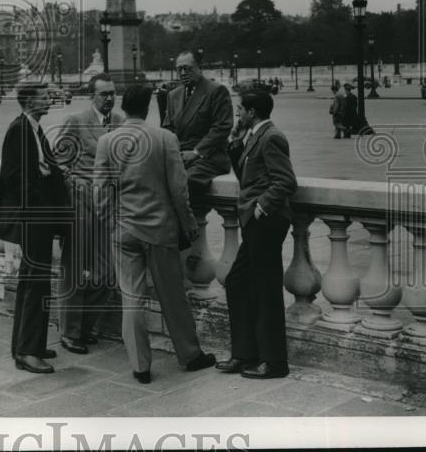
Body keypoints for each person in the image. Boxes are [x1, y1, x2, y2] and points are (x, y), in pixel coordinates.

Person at [94, 83, 216, 383]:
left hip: (123, 230)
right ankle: (189, 355)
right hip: (159, 230)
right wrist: (188, 225)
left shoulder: (107, 141)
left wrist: (111, 223)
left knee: (131, 299)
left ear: (124, 106)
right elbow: (179, 190)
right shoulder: (164, 138)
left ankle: (140, 366)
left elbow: (99, 192)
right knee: (173, 297)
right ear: (148, 106)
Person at [217, 90, 297, 380]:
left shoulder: (272, 136)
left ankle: (275, 362)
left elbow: (286, 181)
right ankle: (245, 353)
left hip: (267, 221)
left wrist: (262, 206)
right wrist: (236, 139)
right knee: (237, 282)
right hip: (254, 220)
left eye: (240, 110)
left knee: (265, 290)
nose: (237, 114)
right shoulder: (254, 136)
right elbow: (244, 174)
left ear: (252, 111)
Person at [0, 83, 71, 375]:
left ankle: (30, 345)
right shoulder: (20, 130)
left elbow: (40, 167)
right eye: (44, 97)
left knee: (35, 282)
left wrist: (53, 172)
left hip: (38, 216)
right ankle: (27, 351)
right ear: (28, 101)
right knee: (34, 283)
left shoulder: (33, 128)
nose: (49, 100)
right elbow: (14, 179)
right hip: (33, 218)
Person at [52, 73, 124, 354]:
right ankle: (69, 332)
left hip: (109, 208)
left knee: (107, 273)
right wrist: (74, 186)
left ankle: (85, 326)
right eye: (104, 94)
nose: (109, 98)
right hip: (81, 207)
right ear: (91, 96)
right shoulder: (76, 122)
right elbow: (58, 161)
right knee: (73, 270)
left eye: (112, 93)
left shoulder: (121, 123)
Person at [161, 51, 234, 202]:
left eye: (187, 69)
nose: (182, 73)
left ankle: (184, 224)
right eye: (179, 69)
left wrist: (196, 152)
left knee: (183, 183)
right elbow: (167, 128)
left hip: (208, 158)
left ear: (199, 68)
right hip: (180, 157)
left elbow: (221, 128)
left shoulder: (216, 91)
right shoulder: (173, 94)